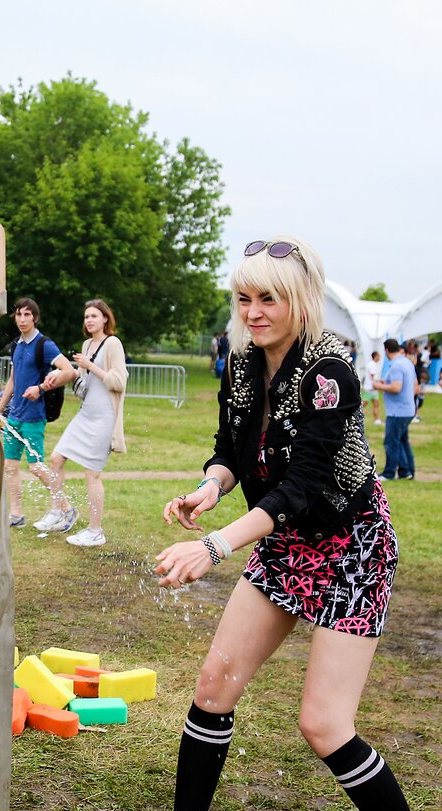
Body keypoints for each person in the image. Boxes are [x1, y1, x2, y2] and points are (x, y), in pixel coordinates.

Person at [156, 237, 407, 811]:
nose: (253, 313)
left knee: (325, 725)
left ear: (302, 299)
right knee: (213, 689)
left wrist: (214, 548)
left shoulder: (330, 371)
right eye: (244, 298)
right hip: (284, 541)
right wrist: (210, 488)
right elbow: (229, 449)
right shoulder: (241, 364)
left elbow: (303, 485)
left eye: (268, 299)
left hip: (352, 548)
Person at [35, 299, 128, 547]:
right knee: (56, 458)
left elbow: (119, 382)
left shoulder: (113, 343)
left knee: (92, 473)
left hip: (105, 418)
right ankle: (59, 512)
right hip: (85, 414)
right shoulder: (87, 344)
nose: (89, 320)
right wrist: (64, 374)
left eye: (94, 316)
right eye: (86, 317)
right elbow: (85, 384)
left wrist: (89, 366)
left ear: (105, 318)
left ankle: (95, 531)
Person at [0, 298, 73, 529]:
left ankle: (67, 509)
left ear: (35, 318)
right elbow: (13, 380)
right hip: (14, 417)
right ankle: (17, 515)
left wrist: (41, 388)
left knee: (36, 467)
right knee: (10, 466)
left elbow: (69, 371)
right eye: (19, 315)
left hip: (34, 417)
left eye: (27, 315)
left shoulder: (44, 345)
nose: (22, 319)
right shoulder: (16, 345)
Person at [373, 339, 415, 481]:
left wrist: (379, 386)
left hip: (397, 411)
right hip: (407, 409)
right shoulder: (407, 362)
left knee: (391, 443)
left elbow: (397, 387)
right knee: (402, 442)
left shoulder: (396, 365)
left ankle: (389, 473)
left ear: (386, 351)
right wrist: (386, 383)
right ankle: (407, 471)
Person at [363, 350, 381, 426]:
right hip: (370, 388)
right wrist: (379, 382)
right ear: (376, 356)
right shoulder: (372, 365)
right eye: (379, 356)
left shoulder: (373, 364)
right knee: (364, 403)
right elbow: (372, 376)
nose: (380, 358)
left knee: (376, 404)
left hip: (374, 389)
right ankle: (355, 412)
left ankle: (376, 419)